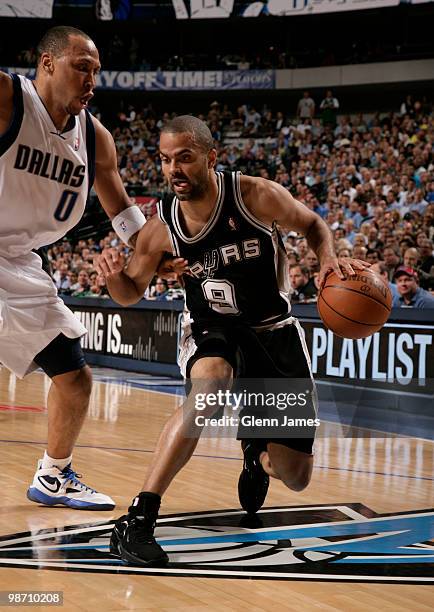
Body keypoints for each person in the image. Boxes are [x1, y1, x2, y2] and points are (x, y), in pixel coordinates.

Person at [95, 115, 368, 566]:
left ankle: (256, 453)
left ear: (211, 158)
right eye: (165, 160)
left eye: (185, 158)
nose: (174, 170)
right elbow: (130, 292)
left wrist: (327, 260)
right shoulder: (160, 226)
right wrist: (112, 280)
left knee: (294, 476)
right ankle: (139, 519)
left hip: (273, 331)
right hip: (212, 329)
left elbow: (314, 224)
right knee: (210, 388)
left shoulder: (255, 195)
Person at [0, 26, 157, 510]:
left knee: (74, 378)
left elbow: (127, 218)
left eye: (96, 71)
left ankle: (53, 475)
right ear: (46, 64)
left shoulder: (94, 138)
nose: (91, 79)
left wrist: (158, 255)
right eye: (81, 67)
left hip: (18, 263)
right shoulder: (8, 98)